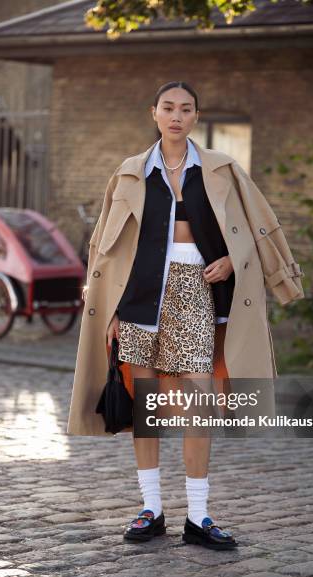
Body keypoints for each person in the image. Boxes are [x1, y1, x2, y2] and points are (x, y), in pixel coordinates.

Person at [108, 81, 237, 550]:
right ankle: (152, 509)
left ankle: (199, 516)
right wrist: (109, 308)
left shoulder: (221, 170)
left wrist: (232, 261)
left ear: (196, 117)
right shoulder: (132, 172)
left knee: (199, 405)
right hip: (140, 294)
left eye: (185, 108)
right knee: (147, 407)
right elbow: (110, 243)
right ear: (154, 114)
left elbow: (250, 234)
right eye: (168, 108)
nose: (176, 115)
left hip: (195, 290)